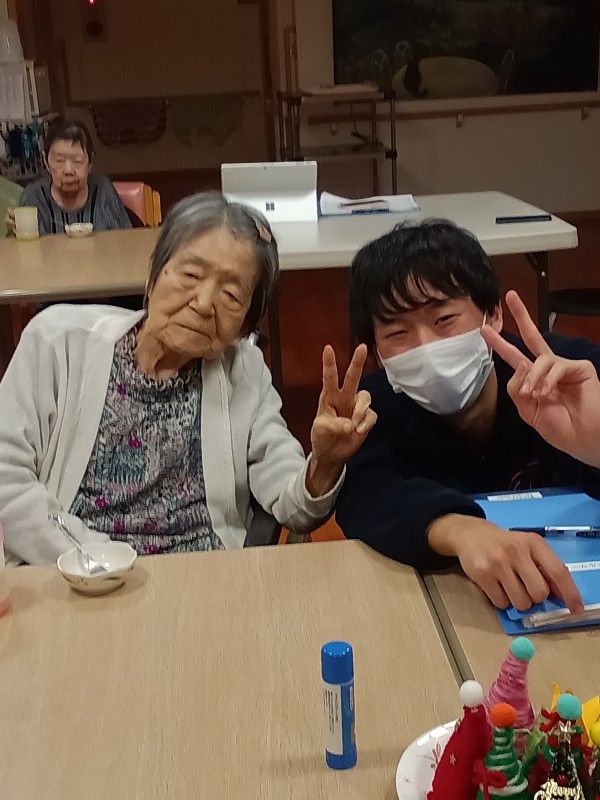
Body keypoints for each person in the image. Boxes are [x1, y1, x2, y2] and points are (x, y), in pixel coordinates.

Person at [0, 192, 376, 565]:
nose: (203, 302)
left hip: (204, 580)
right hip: (69, 572)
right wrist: (101, 560)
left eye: (231, 294)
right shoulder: (57, 341)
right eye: (191, 274)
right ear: (152, 274)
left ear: (244, 324)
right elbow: (7, 479)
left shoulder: (243, 369)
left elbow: (292, 503)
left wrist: (324, 464)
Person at [336, 219, 600, 614]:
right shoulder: (372, 406)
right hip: (454, 608)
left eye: (444, 320)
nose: (426, 347)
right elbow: (364, 494)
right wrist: (459, 530)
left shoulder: (570, 376)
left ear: (492, 315)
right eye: (397, 334)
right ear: (375, 351)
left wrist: (597, 447)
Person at [5, 119, 131, 236]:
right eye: (59, 161)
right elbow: (25, 249)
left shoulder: (103, 191)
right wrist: (13, 233)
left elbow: (125, 240)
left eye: (77, 161)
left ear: (90, 162)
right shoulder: (34, 196)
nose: (68, 170)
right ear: (46, 161)